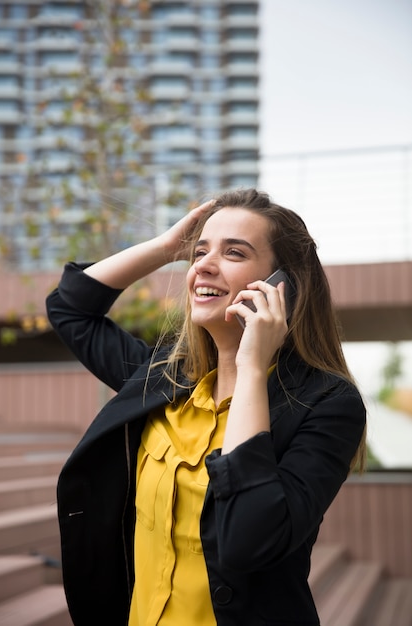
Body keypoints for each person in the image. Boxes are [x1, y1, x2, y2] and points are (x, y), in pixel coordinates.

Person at [46, 188, 366, 626]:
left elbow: (248, 541)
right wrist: (166, 250)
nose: (203, 266)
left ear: (283, 286)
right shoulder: (161, 378)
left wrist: (251, 368)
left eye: (234, 253)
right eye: (200, 252)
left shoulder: (328, 404)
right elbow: (70, 307)